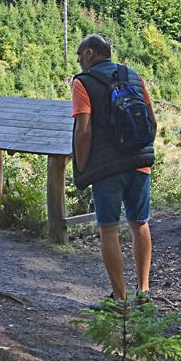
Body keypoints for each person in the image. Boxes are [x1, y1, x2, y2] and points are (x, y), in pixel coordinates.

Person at [72, 33, 157, 308]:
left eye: (79, 56)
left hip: (108, 167)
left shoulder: (83, 82)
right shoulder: (133, 75)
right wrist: (140, 150)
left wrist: (83, 167)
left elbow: (83, 131)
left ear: (89, 53)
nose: (79, 61)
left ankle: (120, 299)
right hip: (139, 161)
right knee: (139, 223)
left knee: (108, 229)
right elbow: (151, 120)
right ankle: (144, 291)